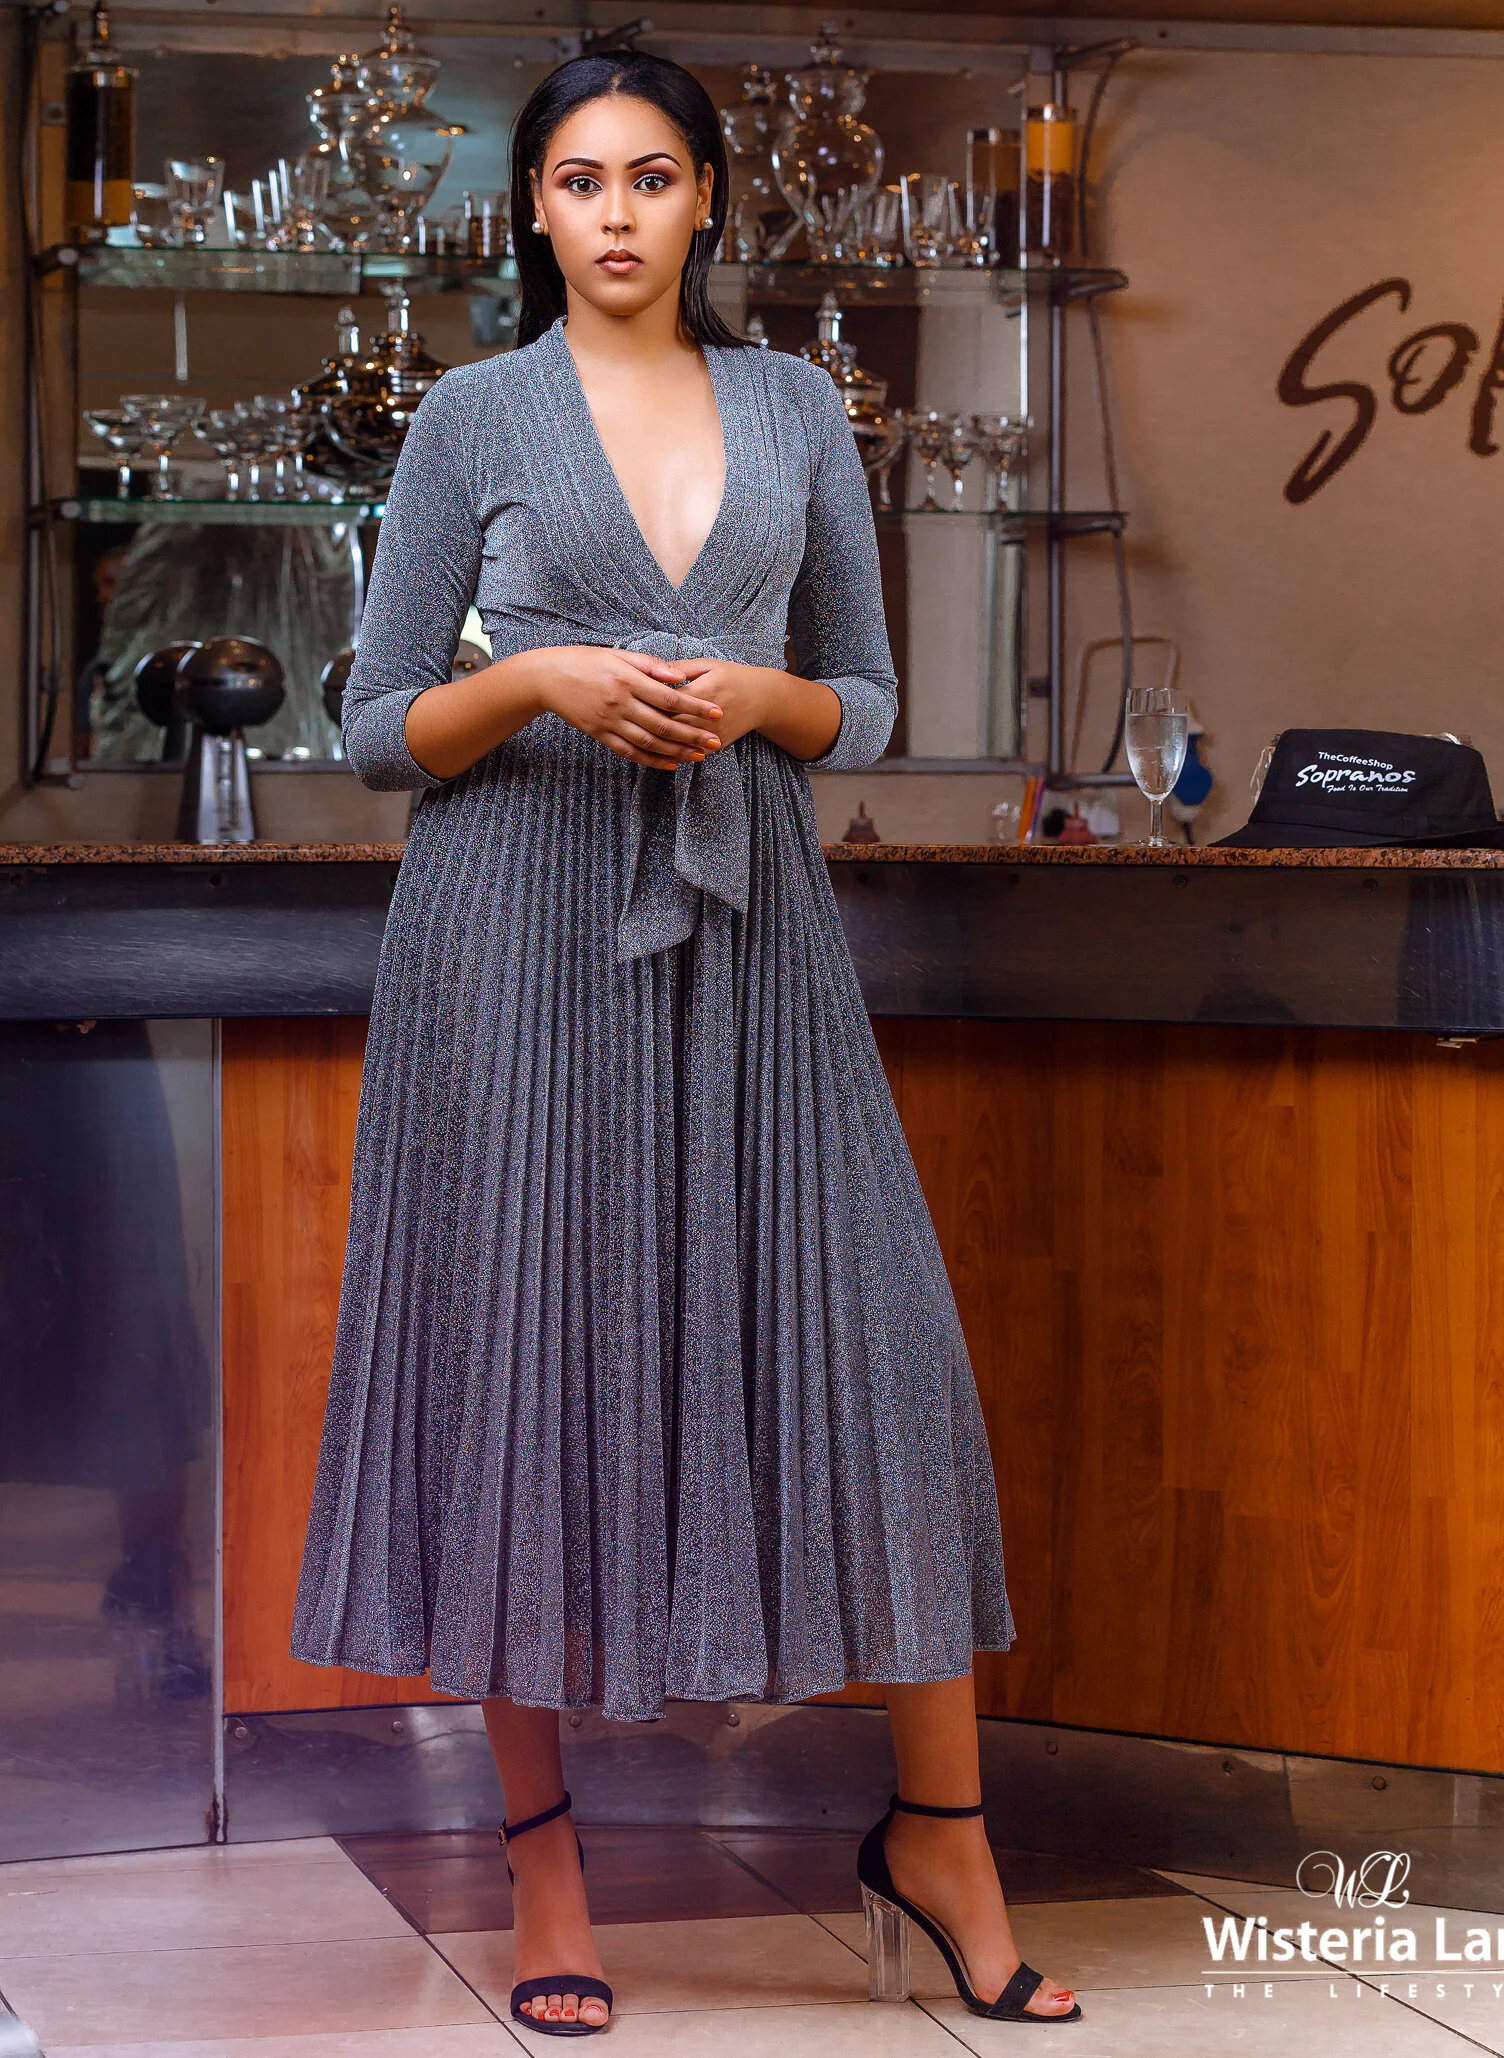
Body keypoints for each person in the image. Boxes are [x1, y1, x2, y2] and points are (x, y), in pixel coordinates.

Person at [288, 49, 1080, 2037]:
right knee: (526, 1376)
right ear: (534, 213)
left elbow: (870, 704)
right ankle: (543, 1870)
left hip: (756, 950)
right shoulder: (472, 416)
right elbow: (381, 727)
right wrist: (543, 674)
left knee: (879, 1371)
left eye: (652, 176)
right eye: (577, 180)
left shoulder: (795, 403)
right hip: (509, 949)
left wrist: (753, 699)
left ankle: (939, 1836)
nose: (617, 213)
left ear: (709, 199)